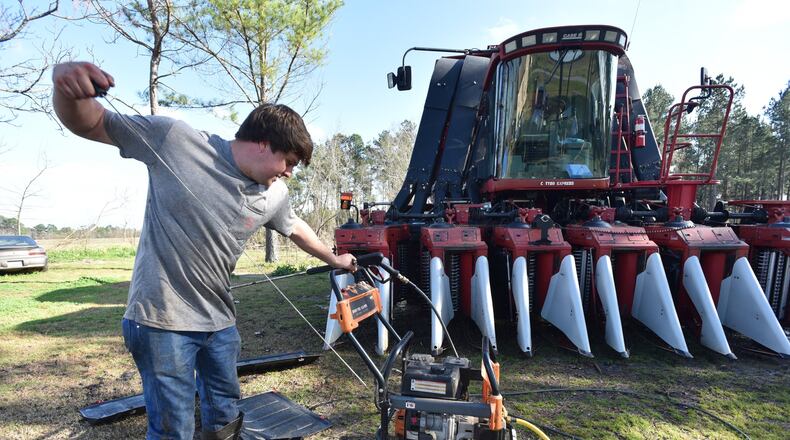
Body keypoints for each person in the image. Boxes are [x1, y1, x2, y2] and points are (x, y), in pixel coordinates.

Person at [52, 61, 356, 440]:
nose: (289, 172)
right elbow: (92, 123)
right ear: (263, 143)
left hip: (219, 324)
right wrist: (66, 89)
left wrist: (335, 258)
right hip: (162, 322)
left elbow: (296, 229)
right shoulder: (176, 140)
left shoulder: (273, 193)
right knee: (172, 430)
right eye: (289, 162)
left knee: (226, 417)